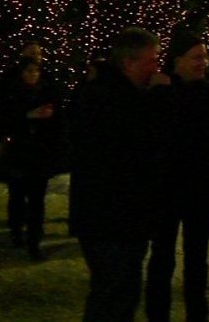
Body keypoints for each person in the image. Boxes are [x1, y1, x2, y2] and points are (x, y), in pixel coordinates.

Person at [69, 27, 170, 322]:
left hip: (122, 216)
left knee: (120, 291)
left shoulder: (116, 94)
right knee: (113, 292)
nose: (155, 68)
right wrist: (159, 98)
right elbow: (135, 144)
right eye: (150, 61)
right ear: (128, 62)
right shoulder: (108, 98)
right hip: (109, 217)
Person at [145, 33, 209, 322]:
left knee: (197, 256)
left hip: (200, 187)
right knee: (162, 254)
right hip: (166, 186)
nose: (203, 63)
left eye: (205, 57)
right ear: (178, 60)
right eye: (197, 57)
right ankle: (158, 313)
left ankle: (198, 313)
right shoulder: (161, 92)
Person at [0, 56, 62, 259]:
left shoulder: (48, 92)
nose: (32, 75)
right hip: (18, 152)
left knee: (37, 200)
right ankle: (16, 230)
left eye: (35, 71)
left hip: (39, 153)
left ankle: (34, 240)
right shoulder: (12, 93)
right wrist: (26, 116)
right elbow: (3, 120)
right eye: (28, 71)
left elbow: (58, 123)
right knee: (17, 195)